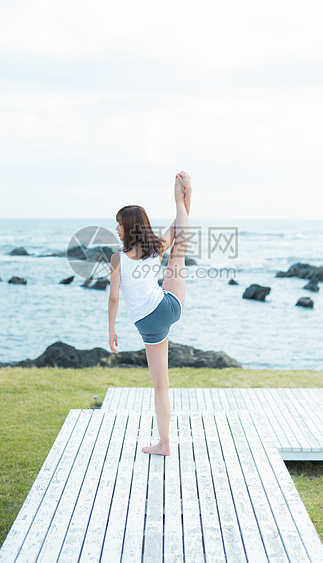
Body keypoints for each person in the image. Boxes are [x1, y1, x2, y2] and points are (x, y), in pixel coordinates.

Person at [108, 171, 192, 456]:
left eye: (119, 225)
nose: (117, 229)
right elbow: (180, 230)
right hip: (169, 308)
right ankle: (181, 197)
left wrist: (112, 331)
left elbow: (114, 298)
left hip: (148, 323)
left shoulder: (118, 258)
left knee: (160, 386)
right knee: (178, 250)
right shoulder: (155, 247)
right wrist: (183, 198)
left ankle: (164, 443)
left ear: (128, 227)